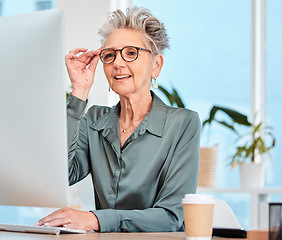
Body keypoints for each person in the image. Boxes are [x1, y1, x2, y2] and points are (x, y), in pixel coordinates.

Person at [36, 6, 201, 232]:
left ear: (156, 65)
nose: (118, 63)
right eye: (110, 55)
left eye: (131, 53)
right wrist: (79, 92)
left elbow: (171, 216)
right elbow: (60, 175)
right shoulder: (94, 120)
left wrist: (96, 220)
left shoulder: (183, 124)